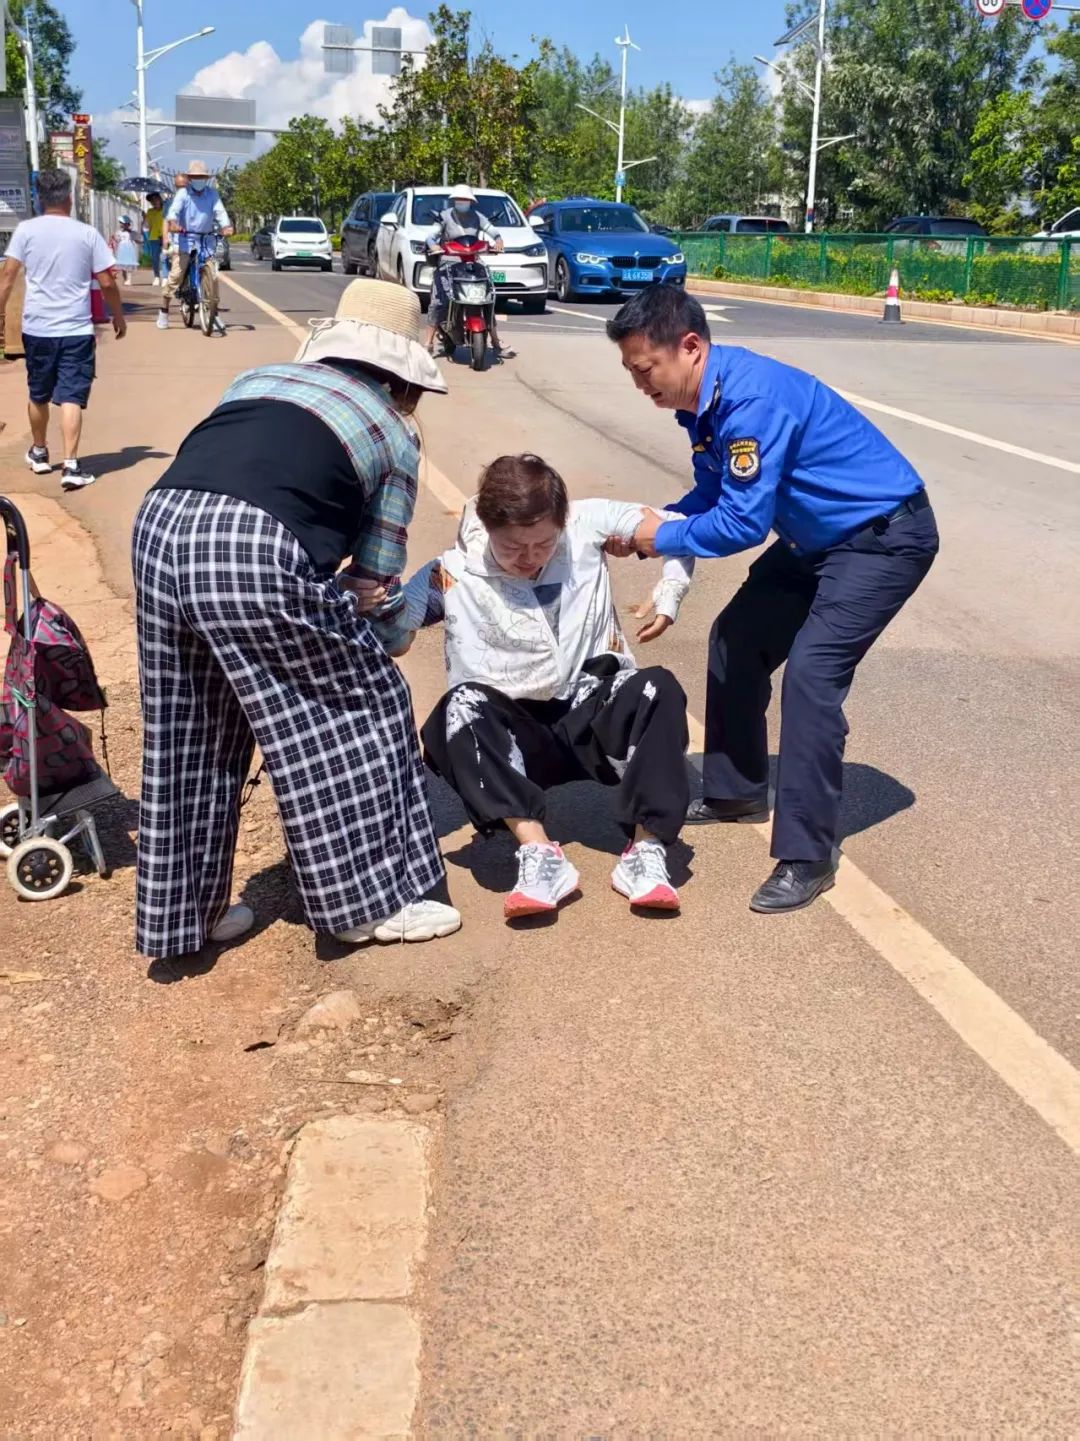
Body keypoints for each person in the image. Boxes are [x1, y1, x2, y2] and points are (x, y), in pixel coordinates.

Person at [131, 280, 460, 958]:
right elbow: (374, 579)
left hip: (159, 526)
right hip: (253, 547)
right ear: (407, 377)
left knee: (192, 722)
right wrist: (390, 628)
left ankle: (184, 918)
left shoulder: (259, 377)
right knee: (359, 707)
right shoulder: (395, 432)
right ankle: (364, 904)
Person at [605, 285, 939, 914]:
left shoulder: (751, 402)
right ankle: (735, 790)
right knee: (737, 639)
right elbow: (712, 497)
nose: (639, 385)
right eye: (630, 373)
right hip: (817, 541)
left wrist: (661, 536)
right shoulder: (703, 404)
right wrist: (647, 526)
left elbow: (740, 525)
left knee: (812, 678)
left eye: (644, 369)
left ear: (690, 347)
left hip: (883, 539)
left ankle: (808, 854)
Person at [395, 453, 693, 919]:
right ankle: (539, 855)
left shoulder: (588, 523)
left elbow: (679, 529)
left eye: (543, 544)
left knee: (659, 688)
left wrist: (670, 592)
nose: (529, 558)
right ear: (486, 527)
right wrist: (375, 602)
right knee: (458, 708)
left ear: (562, 522)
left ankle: (645, 853)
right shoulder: (451, 571)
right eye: (513, 547)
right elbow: (393, 633)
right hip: (515, 734)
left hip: (591, 711)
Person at [0, 167, 126, 491]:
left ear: (40, 199)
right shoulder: (87, 234)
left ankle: (40, 453)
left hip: (38, 328)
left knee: (38, 393)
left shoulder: (26, 231)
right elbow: (107, 281)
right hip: (76, 330)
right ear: (69, 198)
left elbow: (7, 277)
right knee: (71, 396)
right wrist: (117, 315)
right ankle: (70, 465)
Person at [422, 183, 515, 360]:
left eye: (465, 199)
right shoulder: (444, 217)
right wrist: (433, 245)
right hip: (449, 263)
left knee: (487, 300)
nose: (462, 202)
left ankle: (496, 341)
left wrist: (498, 240)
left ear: (471, 202)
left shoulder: (478, 217)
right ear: (454, 201)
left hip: (472, 263)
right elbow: (431, 236)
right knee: (438, 302)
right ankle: (428, 343)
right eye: (459, 199)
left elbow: (492, 231)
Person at [157, 160, 231, 331]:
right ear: (190, 178)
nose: (199, 180)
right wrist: (174, 224)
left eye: (202, 177)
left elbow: (220, 212)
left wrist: (226, 226)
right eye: (195, 177)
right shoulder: (183, 194)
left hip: (206, 240)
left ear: (206, 178)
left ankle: (214, 313)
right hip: (185, 239)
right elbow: (173, 212)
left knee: (212, 275)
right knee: (176, 276)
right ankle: (164, 311)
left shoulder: (212, 194)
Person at [143, 192, 165, 287]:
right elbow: (148, 225)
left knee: (165, 258)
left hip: (165, 237)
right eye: (152, 201)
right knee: (155, 258)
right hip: (154, 237)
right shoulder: (150, 212)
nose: (154, 202)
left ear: (160, 199)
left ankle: (165, 277)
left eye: (156, 199)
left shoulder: (166, 209)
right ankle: (156, 276)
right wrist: (145, 218)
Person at [110, 215, 139, 284]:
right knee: (122, 264)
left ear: (127, 225)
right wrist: (114, 238)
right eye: (120, 223)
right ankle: (125, 278)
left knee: (128, 264)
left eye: (122, 223)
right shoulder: (119, 232)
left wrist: (141, 242)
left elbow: (135, 240)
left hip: (129, 248)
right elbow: (117, 240)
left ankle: (129, 279)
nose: (121, 225)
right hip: (122, 249)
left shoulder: (132, 233)